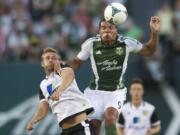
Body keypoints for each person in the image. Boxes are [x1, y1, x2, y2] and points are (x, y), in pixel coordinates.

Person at [67, 16, 160, 135]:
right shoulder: (91, 44)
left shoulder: (126, 43)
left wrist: (154, 33)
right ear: (99, 31)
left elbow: (149, 51)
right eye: (103, 28)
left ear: (116, 30)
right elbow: (76, 62)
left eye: (110, 27)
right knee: (94, 127)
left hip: (115, 92)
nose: (107, 30)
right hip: (94, 92)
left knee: (110, 117)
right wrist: (62, 66)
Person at [26, 47, 95, 135]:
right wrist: (33, 121)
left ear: (58, 61)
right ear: (42, 63)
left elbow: (69, 76)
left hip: (80, 127)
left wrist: (59, 91)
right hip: (65, 131)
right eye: (47, 58)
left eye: (54, 58)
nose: (51, 60)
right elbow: (43, 108)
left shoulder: (63, 70)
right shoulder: (43, 85)